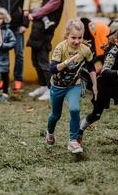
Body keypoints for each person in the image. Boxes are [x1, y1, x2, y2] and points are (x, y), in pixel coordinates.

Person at [45, 18, 97, 154]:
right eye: (73, 37)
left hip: (74, 85)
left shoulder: (84, 50)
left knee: (75, 109)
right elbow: (52, 69)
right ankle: (50, 132)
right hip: (57, 86)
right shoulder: (60, 47)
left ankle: (73, 141)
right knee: (55, 115)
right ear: (67, 36)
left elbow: (91, 67)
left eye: (80, 38)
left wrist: (95, 86)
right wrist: (66, 63)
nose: (77, 41)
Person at [27, 0, 64, 100]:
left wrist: (34, 15)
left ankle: (50, 89)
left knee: (43, 62)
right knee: (35, 61)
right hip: (36, 32)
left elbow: (44, 10)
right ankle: (43, 85)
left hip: (45, 34)